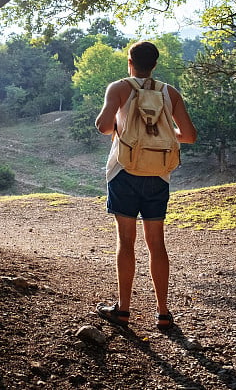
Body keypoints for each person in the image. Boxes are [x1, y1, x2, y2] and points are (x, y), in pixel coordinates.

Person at [94, 41, 197, 330]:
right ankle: (163, 313)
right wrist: (162, 134)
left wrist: (122, 124)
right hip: (158, 174)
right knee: (156, 243)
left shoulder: (118, 88)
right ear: (155, 64)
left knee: (126, 242)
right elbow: (188, 135)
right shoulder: (169, 92)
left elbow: (103, 127)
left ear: (130, 62)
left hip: (123, 172)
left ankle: (123, 310)